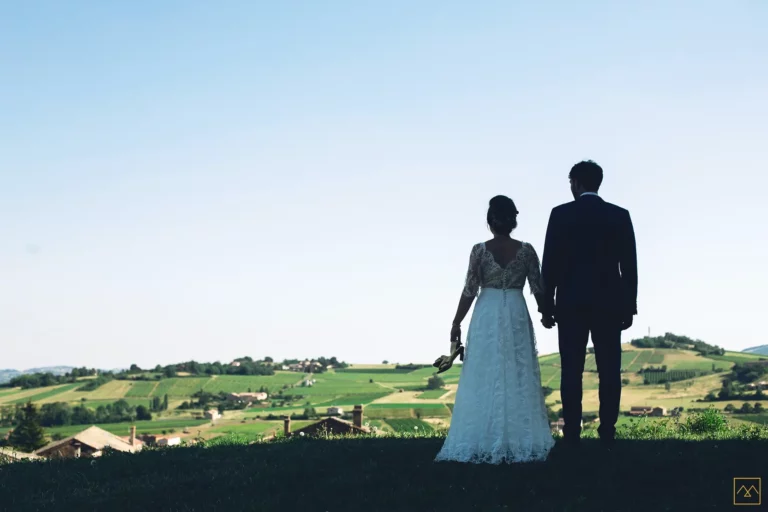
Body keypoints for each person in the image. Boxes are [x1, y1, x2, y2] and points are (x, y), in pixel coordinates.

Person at [434, 195, 555, 464]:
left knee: (483, 372)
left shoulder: (479, 250)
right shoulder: (527, 251)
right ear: (513, 220)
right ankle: (518, 437)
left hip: (486, 311)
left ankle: (481, 435)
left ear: (490, 221)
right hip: (515, 309)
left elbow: (469, 289)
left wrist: (456, 322)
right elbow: (538, 288)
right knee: (517, 370)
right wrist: (547, 313)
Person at [540, 160, 638, 446]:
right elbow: (629, 266)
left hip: (570, 303)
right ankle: (607, 430)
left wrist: (546, 306)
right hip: (609, 303)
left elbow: (550, 265)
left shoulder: (560, 214)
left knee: (571, 369)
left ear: (576, 183)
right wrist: (629, 305)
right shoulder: (619, 215)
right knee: (609, 369)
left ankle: (572, 432)